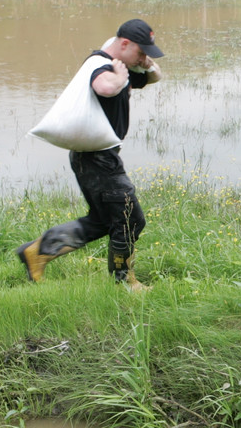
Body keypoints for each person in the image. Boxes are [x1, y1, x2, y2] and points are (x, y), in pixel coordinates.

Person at [16, 19, 164, 291]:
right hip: (99, 160)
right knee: (131, 219)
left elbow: (154, 78)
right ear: (124, 44)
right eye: (141, 52)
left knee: (103, 220)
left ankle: (37, 252)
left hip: (94, 157)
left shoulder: (123, 65)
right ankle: (124, 283)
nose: (143, 57)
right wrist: (121, 77)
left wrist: (147, 65)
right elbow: (104, 87)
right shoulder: (101, 65)